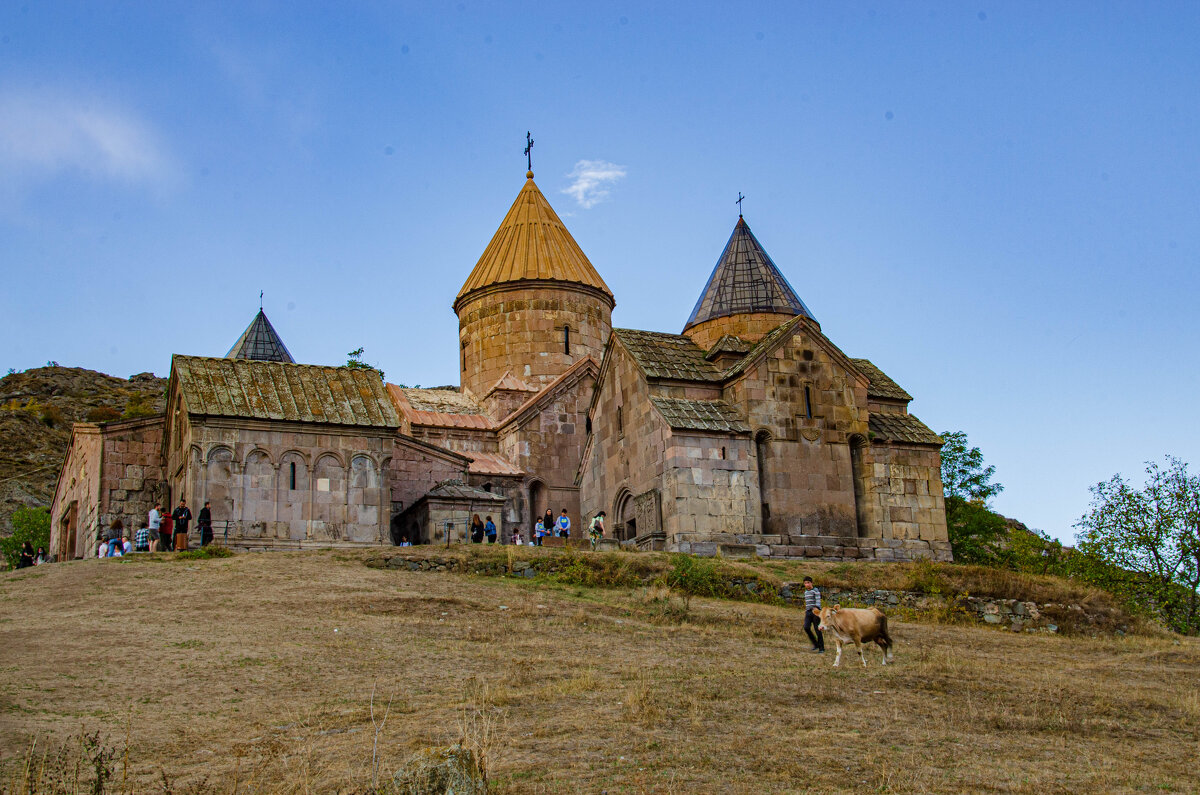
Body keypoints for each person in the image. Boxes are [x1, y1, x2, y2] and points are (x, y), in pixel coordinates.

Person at [803, 576, 825, 654]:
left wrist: (816, 609)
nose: (807, 584)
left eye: (808, 582)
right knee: (806, 627)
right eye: (805, 583)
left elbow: (818, 601)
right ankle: (815, 644)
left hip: (815, 612)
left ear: (811, 583)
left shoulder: (815, 591)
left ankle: (821, 648)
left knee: (817, 629)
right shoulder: (806, 592)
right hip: (808, 612)